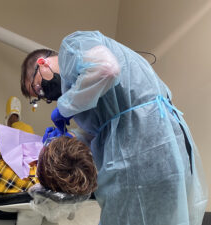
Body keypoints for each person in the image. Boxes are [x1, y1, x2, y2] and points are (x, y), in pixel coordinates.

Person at [20, 31, 208, 225]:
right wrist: (73, 136)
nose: (46, 97)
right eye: (41, 98)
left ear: (42, 63)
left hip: (146, 151)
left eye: (38, 89)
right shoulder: (79, 86)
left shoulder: (72, 45)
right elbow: (106, 131)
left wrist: (64, 107)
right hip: (160, 149)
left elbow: (106, 70)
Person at [0, 96, 97, 195]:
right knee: (26, 128)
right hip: (32, 165)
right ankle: (13, 120)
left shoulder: (4, 175)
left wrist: (0, 146)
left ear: (45, 163)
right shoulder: (72, 181)